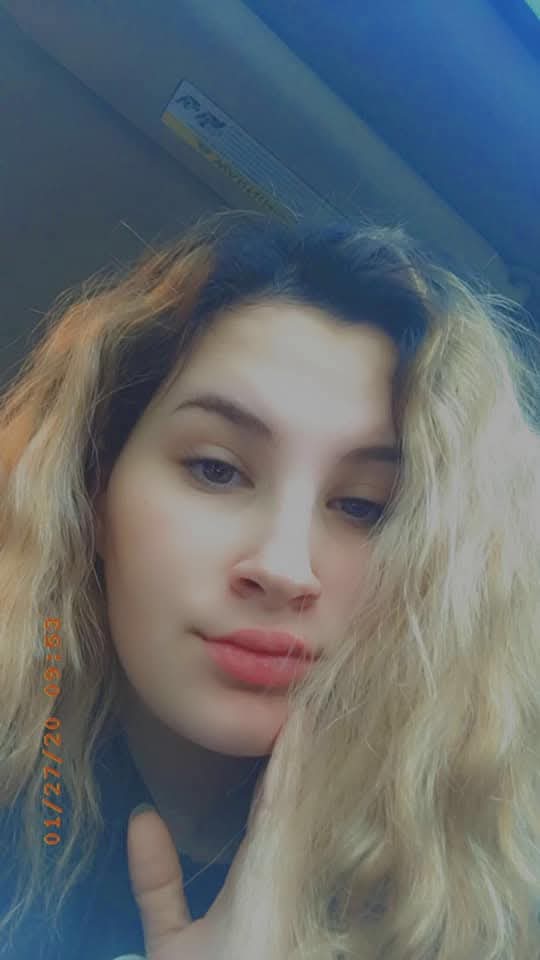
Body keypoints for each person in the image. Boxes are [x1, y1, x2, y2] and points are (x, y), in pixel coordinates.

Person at [0, 208, 538, 960]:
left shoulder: (486, 890)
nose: (285, 568)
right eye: (216, 469)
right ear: (92, 489)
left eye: (365, 507)